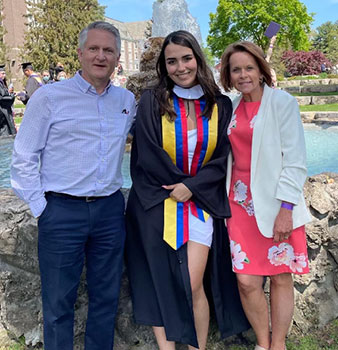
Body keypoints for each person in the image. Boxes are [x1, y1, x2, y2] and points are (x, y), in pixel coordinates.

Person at [11, 21, 136, 350]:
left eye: (108, 50)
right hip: (62, 212)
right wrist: (43, 209)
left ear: (118, 58)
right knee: (57, 306)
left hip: (110, 211)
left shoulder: (126, 100)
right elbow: (23, 158)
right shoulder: (50, 98)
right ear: (80, 53)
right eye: (93, 49)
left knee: (105, 300)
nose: (100, 56)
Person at [125, 30, 249, 350]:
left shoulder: (219, 105)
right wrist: (176, 187)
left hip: (200, 201)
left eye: (186, 58)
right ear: (164, 67)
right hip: (156, 202)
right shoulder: (153, 101)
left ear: (197, 59)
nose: (180, 67)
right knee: (160, 281)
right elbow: (148, 153)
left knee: (191, 283)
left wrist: (191, 186)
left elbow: (224, 156)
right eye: (172, 61)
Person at [220, 41, 311, 350]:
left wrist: (286, 208)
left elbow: (295, 161)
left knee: (281, 277)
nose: (243, 74)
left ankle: (279, 344)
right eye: (236, 69)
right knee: (246, 281)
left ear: (261, 69)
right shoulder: (230, 106)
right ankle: (262, 343)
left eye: (249, 67)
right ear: (228, 75)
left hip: (276, 204)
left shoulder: (282, 103)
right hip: (238, 205)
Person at [0, 64, 16, 135]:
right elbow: (2, 97)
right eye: (2, 73)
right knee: (5, 131)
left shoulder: (2, 83)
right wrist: (11, 96)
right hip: (2, 112)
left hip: (4, 110)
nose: (4, 75)